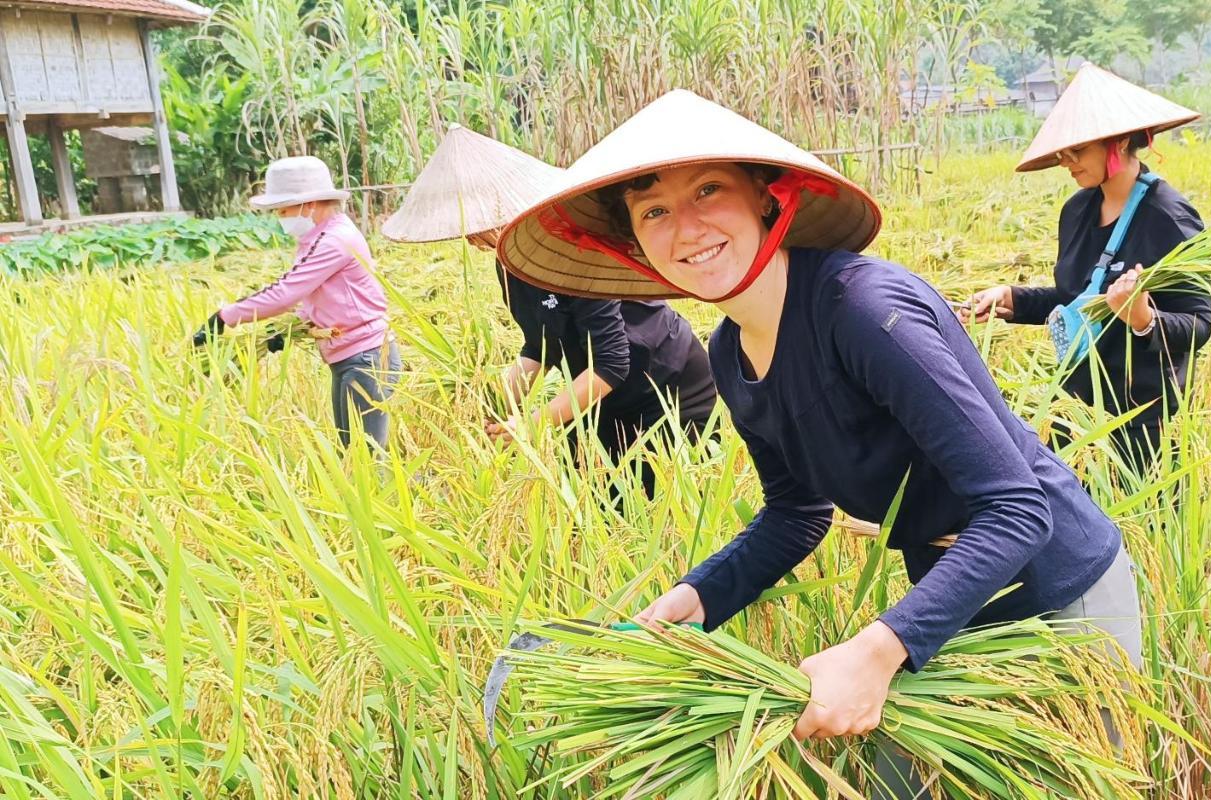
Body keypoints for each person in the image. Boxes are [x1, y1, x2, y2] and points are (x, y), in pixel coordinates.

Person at [497, 90, 1143, 797]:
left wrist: (876, 649)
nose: (686, 227)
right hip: (951, 594)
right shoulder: (729, 355)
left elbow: (1017, 507)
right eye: (654, 211)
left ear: (768, 199)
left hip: (1061, 591)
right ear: (636, 243)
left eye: (708, 190)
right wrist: (698, 597)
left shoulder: (863, 312)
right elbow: (796, 512)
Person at [382, 125, 716, 497]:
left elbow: (611, 363)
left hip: (666, 391)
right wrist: (491, 404)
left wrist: (532, 425)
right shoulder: (508, 263)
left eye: (479, 226)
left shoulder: (573, 253)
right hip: (602, 396)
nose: (472, 238)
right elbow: (540, 346)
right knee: (592, 500)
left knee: (658, 509)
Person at [966, 64, 1211, 473]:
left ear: (1116, 142)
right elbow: (1078, 300)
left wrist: (1144, 320)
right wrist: (1012, 300)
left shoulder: (1168, 217)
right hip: (1076, 406)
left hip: (1139, 418)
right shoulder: (1077, 210)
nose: (1066, 162)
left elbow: (1199, 324)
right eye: (1063, 153)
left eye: (1076, 151)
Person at [192, 155, 400, 450]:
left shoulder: (334, 240)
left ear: (309, 204)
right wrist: (289, 329)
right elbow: (321, 298)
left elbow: (285, 292)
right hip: (347, 355)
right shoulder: (321, 237)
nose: (280, 217)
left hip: (366, 356)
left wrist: (225, 317)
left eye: (282, 209)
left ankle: (395, 494)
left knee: (365, 454)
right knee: (351, 448)